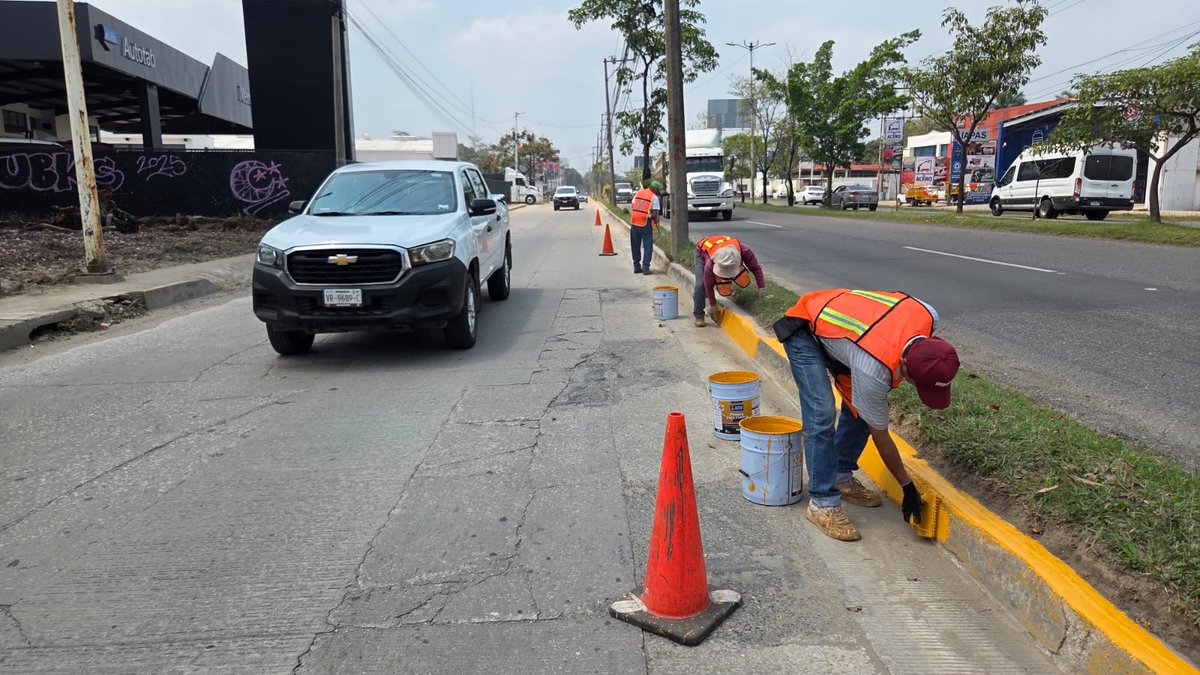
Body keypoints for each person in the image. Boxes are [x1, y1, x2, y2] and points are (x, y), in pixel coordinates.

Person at [773, 289, 960, 542]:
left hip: (850, 336)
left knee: (860, 409)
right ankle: (822, 504)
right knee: (821, 413)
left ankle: (839, 475)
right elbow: (880, 435)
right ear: (904, 367)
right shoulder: (874, 369)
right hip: (807, 328)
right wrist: (907, 486)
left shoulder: (927, 315)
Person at [692, 235, 765, 328]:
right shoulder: (710, 263)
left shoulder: (745, 251)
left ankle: (700, 297)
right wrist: (713, 306)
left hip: (722, 247)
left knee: (741, 277)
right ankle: (699, 315)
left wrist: (762, 288)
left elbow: (756, 268)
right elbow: (708, 285)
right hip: (702, 252)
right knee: (700, 286)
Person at [629, 180, 660, 275]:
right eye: (657, 191)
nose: (657, 193)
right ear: (654, 189)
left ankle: (636, 266)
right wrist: (656, 222)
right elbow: (655, 213)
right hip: (645, 223)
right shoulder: (653, 197)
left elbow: (633, 206)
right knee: (648, 247)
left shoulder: (639, 193)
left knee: (635, 245)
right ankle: (646, 267)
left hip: (634, 222)